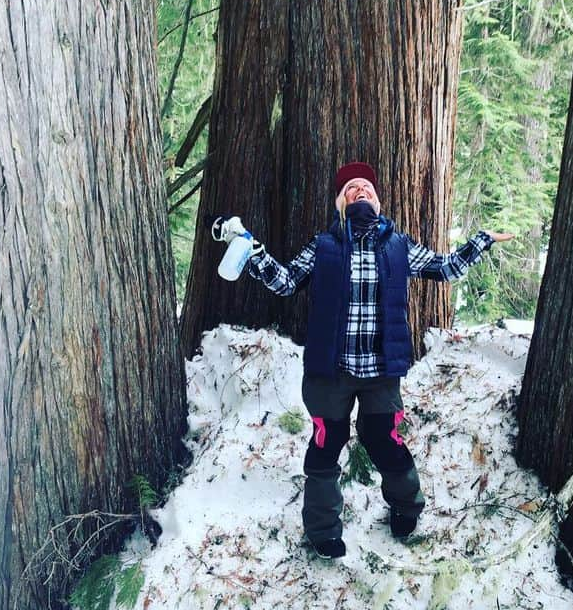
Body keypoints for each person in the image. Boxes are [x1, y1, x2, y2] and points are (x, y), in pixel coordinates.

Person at [212, 161, 513, 559]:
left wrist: (482, 240)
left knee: (385, 442)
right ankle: (323, 530)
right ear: (341, 202)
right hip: (330, 373)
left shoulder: (399, 246)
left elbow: (445, 268)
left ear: (377, 199)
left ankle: (407, 508)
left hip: (381, 373)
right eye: (351, 188)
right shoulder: (323, 247)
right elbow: (284, 282)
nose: (360, 191)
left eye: (366, 188)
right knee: (325, 447)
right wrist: (253, 253)